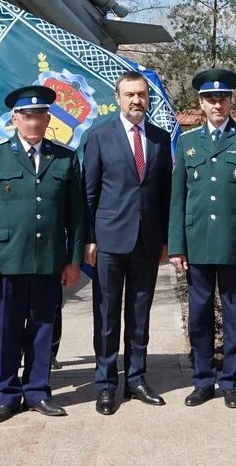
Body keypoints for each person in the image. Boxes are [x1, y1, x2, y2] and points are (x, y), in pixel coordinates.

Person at [0, 85, 85, 422]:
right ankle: (5, 394)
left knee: (42, 329)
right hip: (7, 262)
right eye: (27, 116)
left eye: (39, 116)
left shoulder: (64, 157)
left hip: (49, 260)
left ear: (47, 118)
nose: (33, 122)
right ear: (15, 119)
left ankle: (37, 392)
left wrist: (73, 259)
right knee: (8, 330)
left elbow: (76, 216)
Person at [168, 68, 236, 408]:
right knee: (198, 315)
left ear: (230, 101)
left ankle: (232, 381)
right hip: (196, 243)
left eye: (222, 98)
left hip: (233, 243)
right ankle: (202, 380)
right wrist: (176, 246)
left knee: (235, 313)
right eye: (211, 99)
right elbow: (177, 197)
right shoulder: (187, 141)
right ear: (201, 104)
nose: (217, 105)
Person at [83, 71, 173, 415]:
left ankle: (136, 378)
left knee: (139, 315)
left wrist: (165, 238)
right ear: (118, 98)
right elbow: (89, 191)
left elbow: (164, 194)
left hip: (147, 242)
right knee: (106, 316)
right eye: (130, 94)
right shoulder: (99, 137)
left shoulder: (161, 139)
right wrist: (89, 238)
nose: (137, 100)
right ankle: (105, 385)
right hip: (108, 241)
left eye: (142, 95)